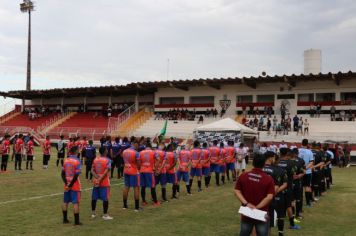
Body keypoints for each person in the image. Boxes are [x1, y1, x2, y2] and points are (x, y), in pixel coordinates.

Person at [234, 153, 275, 236]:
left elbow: (237, 191)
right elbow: (269, 197)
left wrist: (247, 204)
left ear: (253, 163)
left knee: (244, 233)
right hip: (261, 213)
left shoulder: (244, 175)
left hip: (247, 212)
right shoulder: (268, 179)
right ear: (264, 164)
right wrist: (257, 207)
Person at [262, 151, 288, 236]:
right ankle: (280, 233)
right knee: (269, 220)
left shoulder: (259, 168)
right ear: (271, 158)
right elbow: (281, 185)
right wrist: (271, 194)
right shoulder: (277, 170)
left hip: (259, 198)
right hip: (272, 198)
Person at [61, 146, 82, 225]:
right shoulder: (77, 161)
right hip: (75, 184)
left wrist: (66, 183)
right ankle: (76, 222)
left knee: (65, 201)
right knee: (75, 202)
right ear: (76, 151)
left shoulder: (66, 160)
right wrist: (71, 184)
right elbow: (76, 175)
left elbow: (62, 174)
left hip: (67, 183)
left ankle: (65, 219)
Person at [91, 147, 113, 220]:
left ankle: (93, 213)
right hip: (104, 181)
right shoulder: (108, 160)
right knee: (105, 198)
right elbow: (107, 171)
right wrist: (100, 178)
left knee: (94, 197)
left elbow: (92, 170)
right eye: (107, 149)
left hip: (96, 181)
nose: (107, 150)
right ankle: (105, 215)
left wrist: (96, 176)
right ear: (105, 152)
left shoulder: (95, 159)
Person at [122, 140, 142, 211]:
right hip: (133, 171)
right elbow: (139, 165)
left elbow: (124, 160)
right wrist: (138, 168)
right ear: (135, 144)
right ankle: (136, 207)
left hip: (126, 170)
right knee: (136, 188)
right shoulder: (136, 153)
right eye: (137, 145)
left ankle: (124, 205)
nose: (138, 146)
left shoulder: (124, 151)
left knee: (126, 187)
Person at [299, 139, 314, 207]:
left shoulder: (298, 150)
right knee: (307, 187)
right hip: (307, 172)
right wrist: (305, 168)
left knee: (299, 188)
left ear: (301, 143)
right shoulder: (309, 152)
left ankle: (299, 203)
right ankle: (308, 203)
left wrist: (301, 169)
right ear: (307, 144)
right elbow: (311, 162)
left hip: (299, 172)